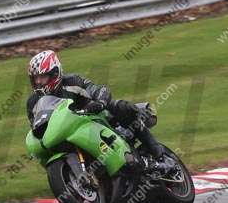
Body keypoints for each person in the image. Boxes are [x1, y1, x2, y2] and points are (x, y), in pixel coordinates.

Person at [26, 49, 165, 162]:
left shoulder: (73, 82)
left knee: (119, 106)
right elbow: (36, 128)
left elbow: (100, 90)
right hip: (65, 135)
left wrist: (99, 103)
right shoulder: (32, 103)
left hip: (93, 120)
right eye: (35, 79)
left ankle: (156, 150)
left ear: (55, 73)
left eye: (42, 77)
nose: (39, 82)